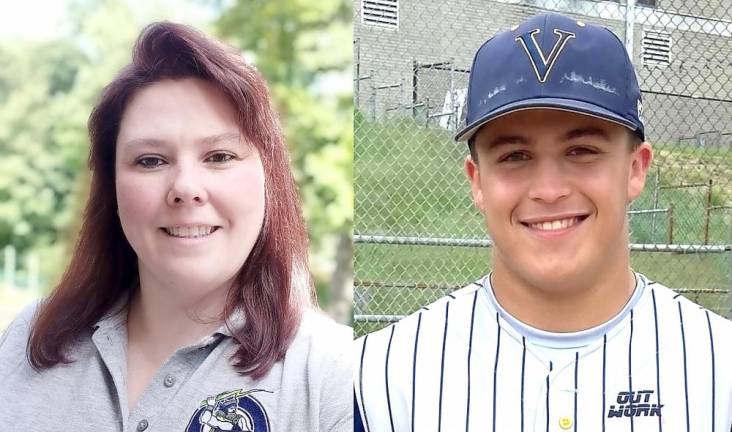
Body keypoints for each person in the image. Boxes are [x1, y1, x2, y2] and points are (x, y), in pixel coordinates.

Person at [354, 13, 732, 431]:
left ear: (635, 169)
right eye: (515, 156)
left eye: (582, 150)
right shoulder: (377, 382)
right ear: (478, 182)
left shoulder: (719, 369)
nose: (549, 190)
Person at [0, 22, 352, 431]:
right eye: (150, 160)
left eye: (219, 156)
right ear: (111, 187)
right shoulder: (28, 340)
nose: (185, 188)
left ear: (267, 177)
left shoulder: (334, 376)